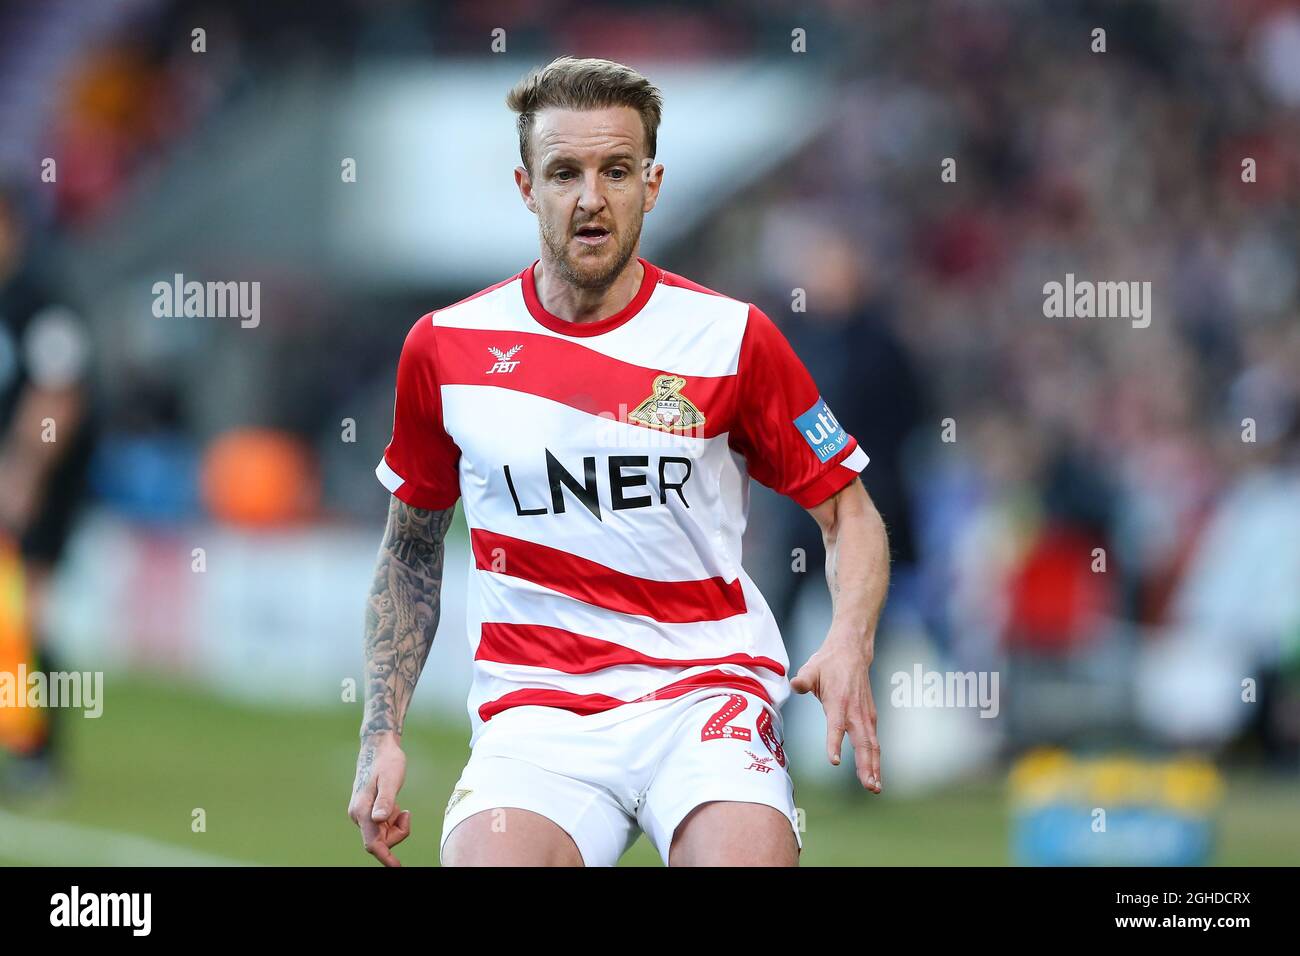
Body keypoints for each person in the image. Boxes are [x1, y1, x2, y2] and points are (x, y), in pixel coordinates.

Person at [347, 57, 891, 867]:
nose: (591, 197)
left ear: (654, 183)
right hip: (537, 713)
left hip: (706, 693)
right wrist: (380, 735)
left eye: (616, 170)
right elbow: (410, 554)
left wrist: (849, 638)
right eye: (564, 172)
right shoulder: (444, 348)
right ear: (527, 187)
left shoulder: (732, 338)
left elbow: (850, 512)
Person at [0, 182, 95, 793]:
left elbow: (59, 395)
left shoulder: (42, 298)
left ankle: (39, 752)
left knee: (27, 610)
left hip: (41, 485)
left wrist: (24, 474)